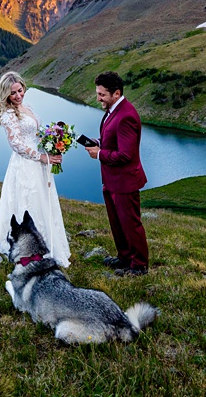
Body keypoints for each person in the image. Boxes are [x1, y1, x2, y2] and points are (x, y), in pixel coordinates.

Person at [0, 71, 71, 267]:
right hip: (26, 165)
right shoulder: (9, 114)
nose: (18, 95)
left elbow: (36, 134)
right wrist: (42, 157)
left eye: (20, 90)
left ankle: (46, 242)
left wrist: (54, 142)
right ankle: (28, 245)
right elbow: (16, 144)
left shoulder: (28, 107)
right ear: (6, 95)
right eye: (13, 93)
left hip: (40, 163)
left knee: (42, 200)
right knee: (28, 202)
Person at [84, 71, 149, 276]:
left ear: (116, 92)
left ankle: (139, 266)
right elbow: (115, 140)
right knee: (117, 222)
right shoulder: (114, 110)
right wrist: (100, 143)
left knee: (130, 224)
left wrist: (100, 154)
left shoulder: (126, 115)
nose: (98, 98)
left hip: (125, 182)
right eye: (98, 93)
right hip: (112, 180)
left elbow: (126, 155)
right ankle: (124, 258)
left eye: (102, 95)